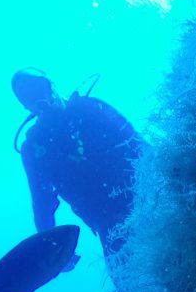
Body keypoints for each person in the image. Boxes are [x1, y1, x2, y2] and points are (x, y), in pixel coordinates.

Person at [12, 69, 143, 261]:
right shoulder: (34, 148)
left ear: (51, 85)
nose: (37, 98)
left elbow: (138, 144)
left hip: (145, 196)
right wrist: (52, 250)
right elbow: (42, 204)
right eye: (27, 96)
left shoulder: (90, 109)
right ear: (25, 106)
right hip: (111, 228)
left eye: (38, 88)